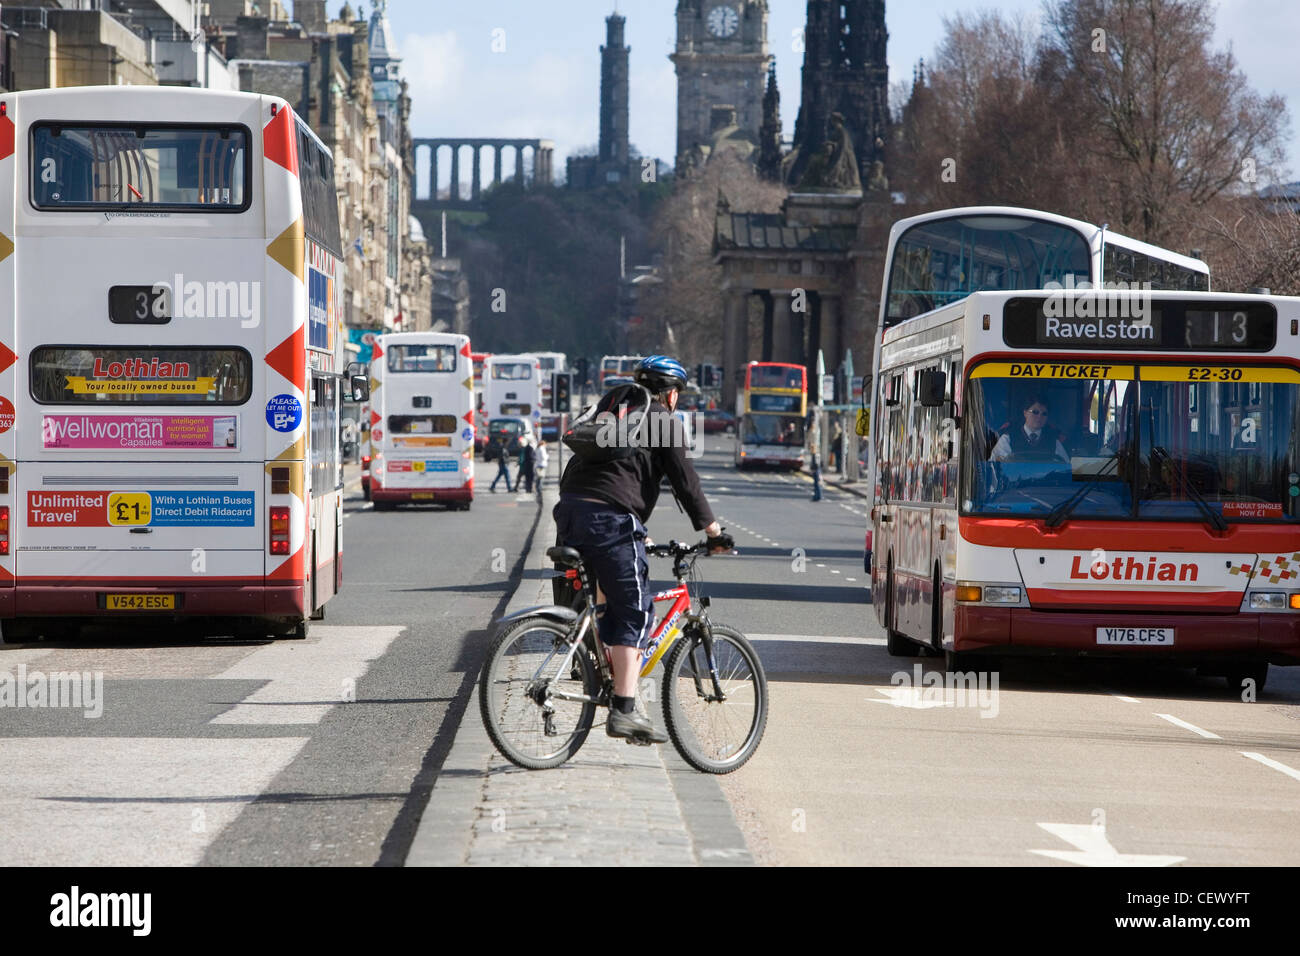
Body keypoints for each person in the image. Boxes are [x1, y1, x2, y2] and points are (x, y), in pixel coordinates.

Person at [554, 355, 732, 743]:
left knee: (608, 600)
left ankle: (599, 669)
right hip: (609, 520)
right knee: (636, 611)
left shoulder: (612, 408)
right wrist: (715, 532)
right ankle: (624, 710)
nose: (677, 402)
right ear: (670, 393)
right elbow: (688, 483)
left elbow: (612, 474)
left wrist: (638, 532)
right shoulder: (665, 422)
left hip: (570, 512)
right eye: (678, 395)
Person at [989, 394, 1069, 463]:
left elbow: (1066, 466)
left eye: (1044, 414)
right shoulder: (1008, 438)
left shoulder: (1053, 441)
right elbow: (996, 468)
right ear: (1025, 412)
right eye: (1035, 412)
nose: (1039, 417)